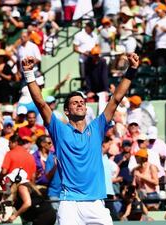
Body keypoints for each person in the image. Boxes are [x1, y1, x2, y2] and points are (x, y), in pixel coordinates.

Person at [21, 52, 139, 224]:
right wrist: (29, 73)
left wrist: (132, 70)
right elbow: (40, 102)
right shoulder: (58, 129)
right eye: (75, 102)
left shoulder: (97, 127)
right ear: (67, 111)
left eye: (82, 102)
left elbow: (116, 99)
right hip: (69, 203)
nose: (80, 104)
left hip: (96, 203)